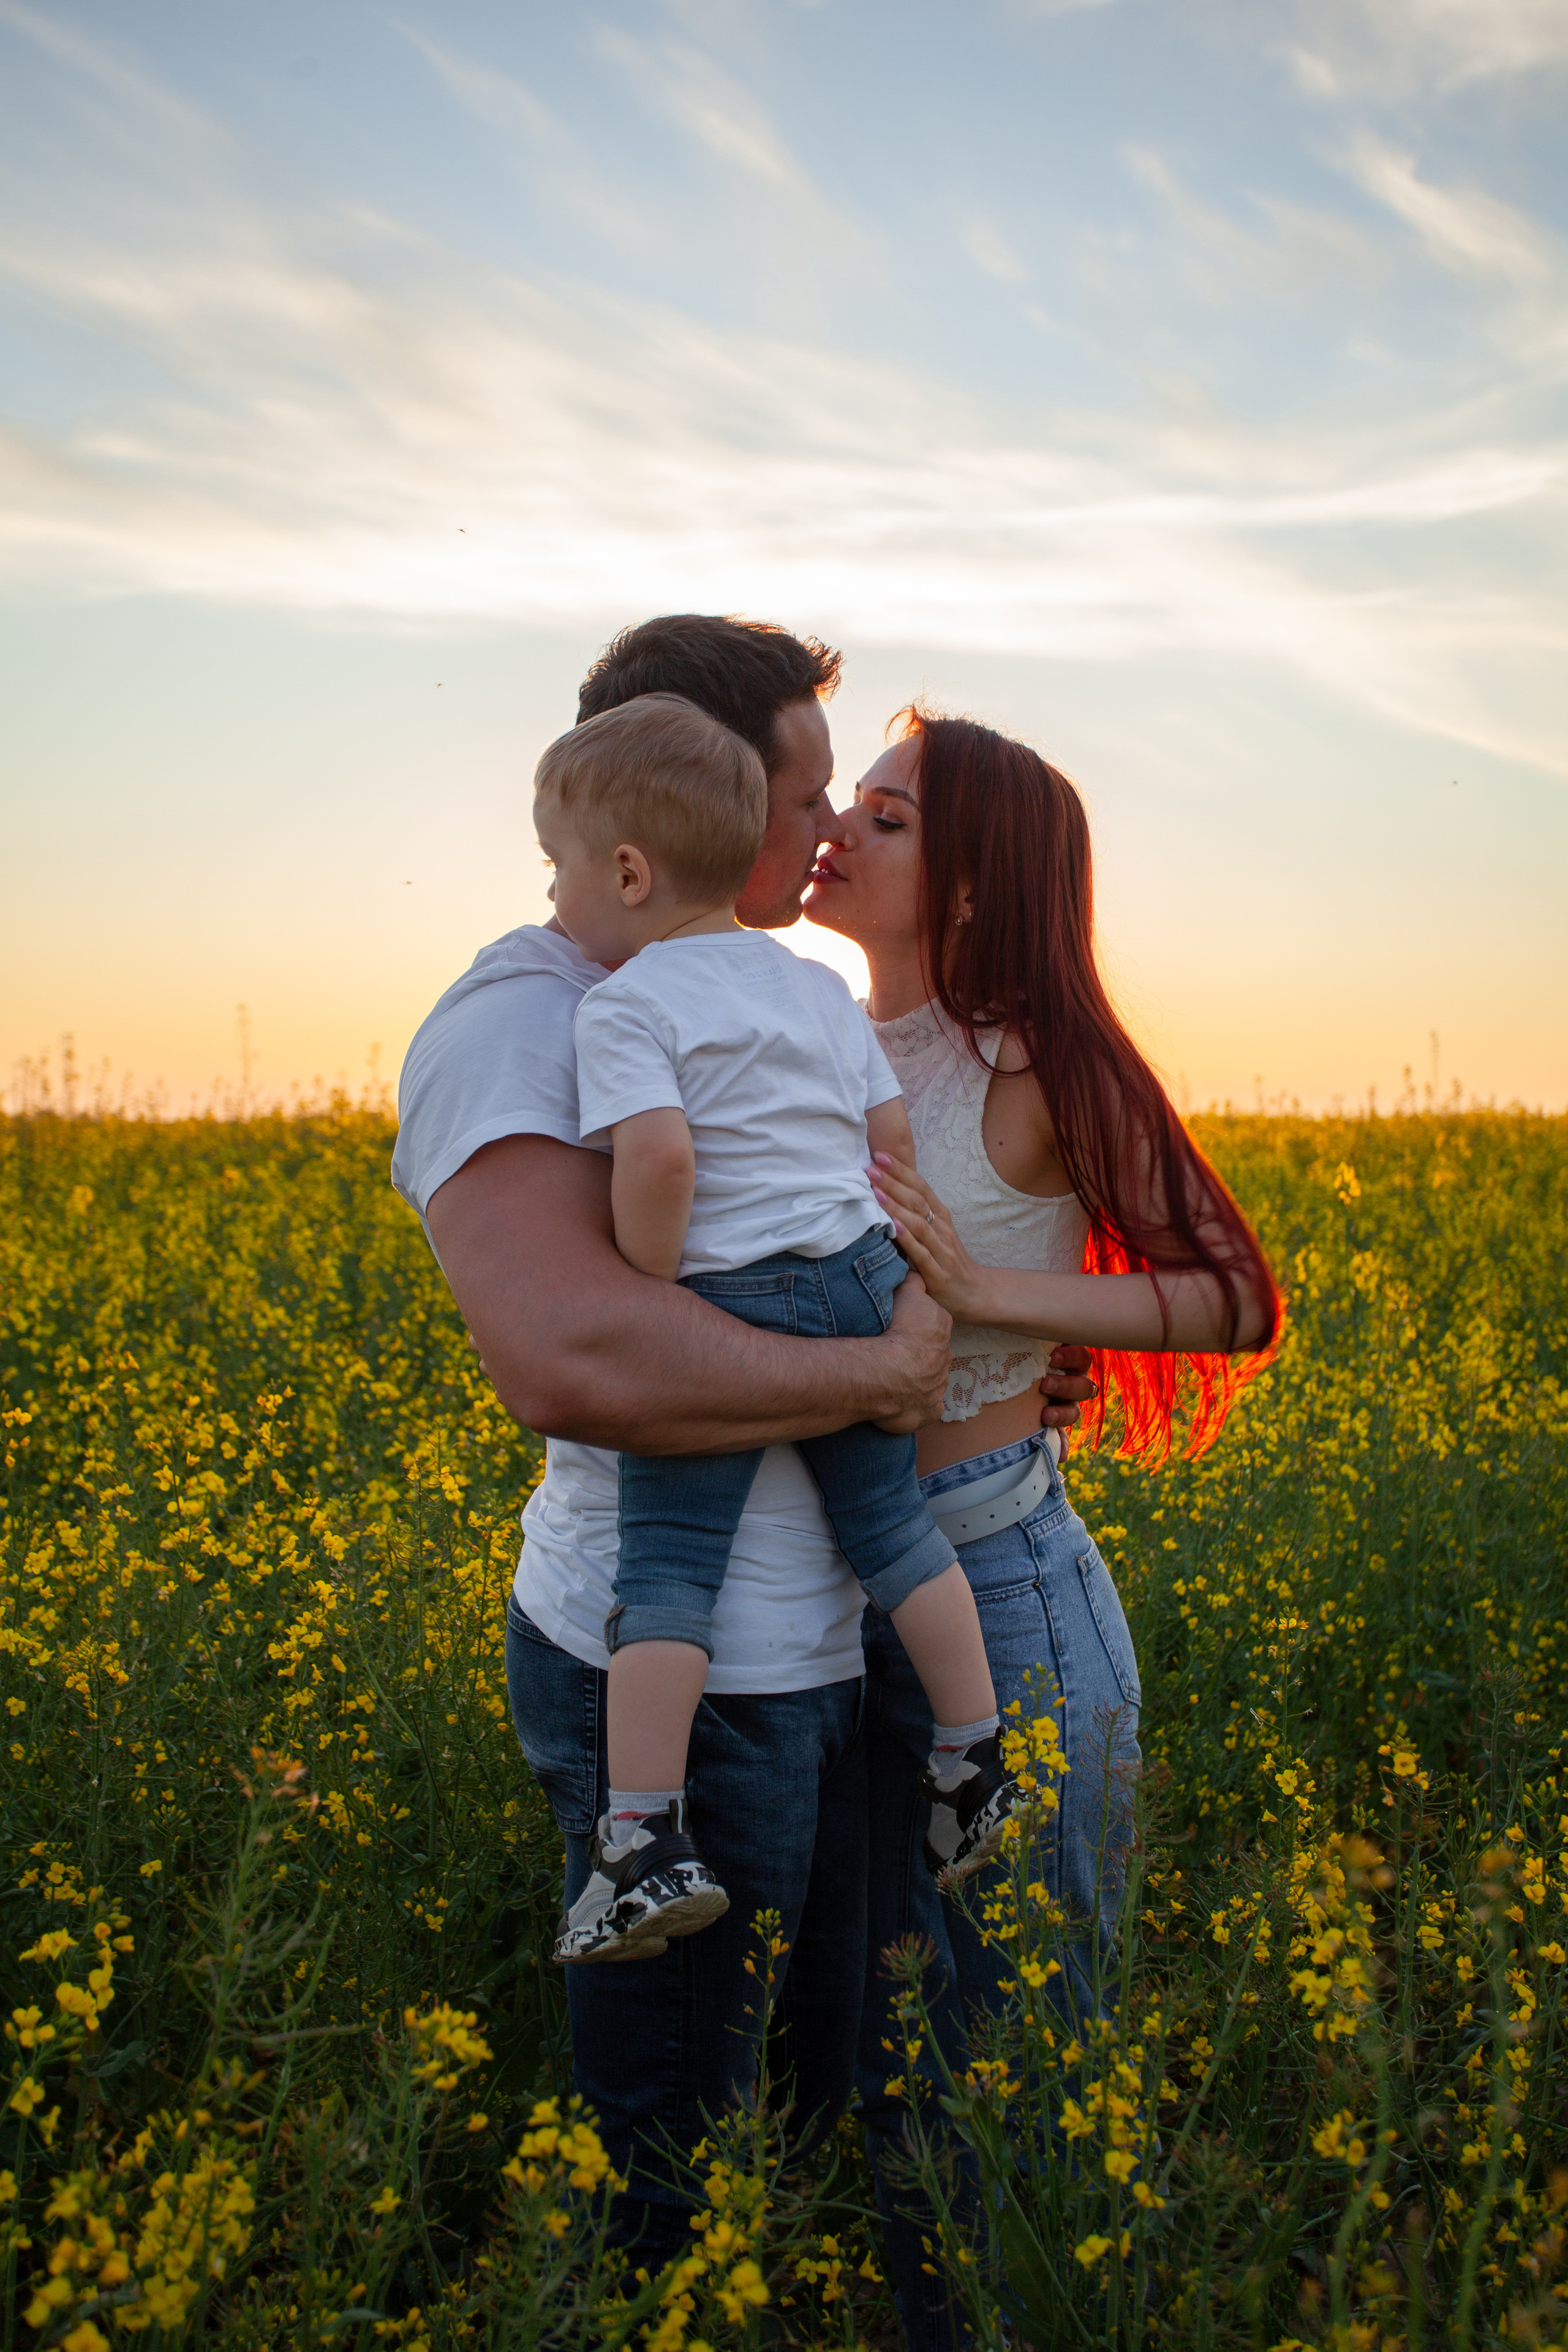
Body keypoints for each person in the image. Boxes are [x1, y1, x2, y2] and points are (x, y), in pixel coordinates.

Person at [390, 618, 1094, 2272]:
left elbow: (863, 1201)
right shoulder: (529, 1012)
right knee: (680, 2157)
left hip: (822, 1657)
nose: (819, 833)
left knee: (828, 2099)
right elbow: (575, 1353)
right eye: (799, 797)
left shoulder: (751, 988)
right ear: (678, 809)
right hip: (693, 1688)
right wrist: (883, 1370)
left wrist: (991, 1354)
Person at [802, 706, 1280, 2351]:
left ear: (978, 878)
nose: (840, 828)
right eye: (848, 800)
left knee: (1020, 2041)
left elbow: (1231, 1294)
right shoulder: (809, 1033)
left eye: (884, 812)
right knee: (873, 2040)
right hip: (818, 1598)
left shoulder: (1027, 1061)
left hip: (997, 1582)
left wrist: (993, 1293)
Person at [532, 695, 1017, 1965]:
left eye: (560, 865)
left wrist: (652, 1273)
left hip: (731, 1289)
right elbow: (890, 1137)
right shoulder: (809, 986)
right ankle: (970, 1749)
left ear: (627, 871)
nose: (555, 890)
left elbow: (664, 1161)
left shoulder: (622, 1007)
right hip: (854, 1273)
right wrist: (889, 1250)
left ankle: (639, 1837)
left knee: (669, 1570)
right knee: (889, 1529)